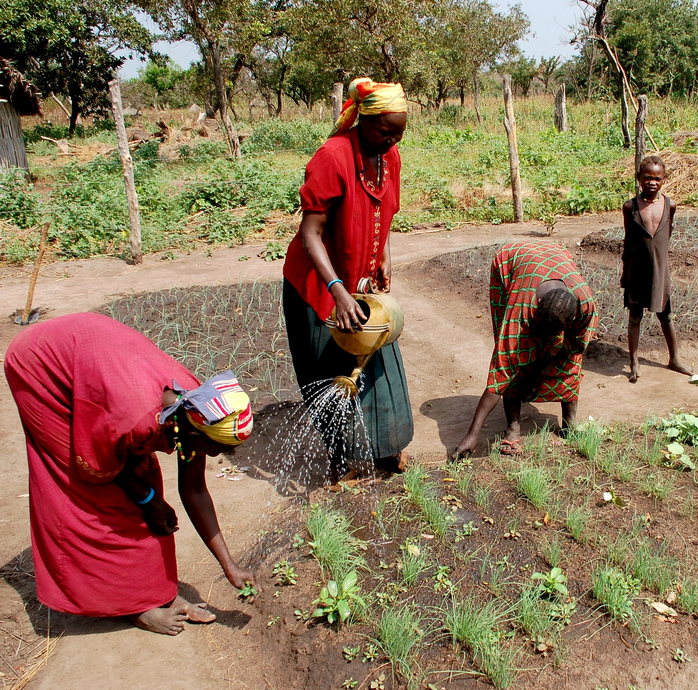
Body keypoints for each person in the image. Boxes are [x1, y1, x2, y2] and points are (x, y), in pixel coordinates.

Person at [3, 313, 256, 636]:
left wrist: (229, 566)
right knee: (96, 488)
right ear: (195, 432)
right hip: (41, 367)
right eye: (215, 447)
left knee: (142, 481)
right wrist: (148, 498)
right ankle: (136, 606)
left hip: (93, 359)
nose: (216, 456)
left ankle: (156, 593)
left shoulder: (195, 407)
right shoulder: (136, 415)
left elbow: (194, 491)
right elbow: (96, 462)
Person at [281, 77, 413, 480]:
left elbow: (383, 213)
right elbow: (310, 234)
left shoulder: (389, 158)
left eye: (399, 134)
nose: (392, 141)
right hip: (320, 290)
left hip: (360, 287)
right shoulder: (333, 157)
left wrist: (384, 256)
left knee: (378, 368)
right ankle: (340, 462)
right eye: (385, 131)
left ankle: (385, 450)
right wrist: (337, 291)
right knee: (331, 379)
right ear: (364, 120)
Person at [452, 240, 598, 458]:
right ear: (535, 313)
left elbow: (574, 346)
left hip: (555, 253)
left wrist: (541, 373)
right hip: (510, 261)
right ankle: (512, 428)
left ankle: (569, 424)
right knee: (515, 358)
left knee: (570, 361)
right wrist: (473, 434)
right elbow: (501, 373)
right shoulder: (519, 310)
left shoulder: (585, 305)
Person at [621, 155, 693, 383]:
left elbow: (666, 236)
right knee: (635, 316)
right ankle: (634, 362)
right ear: (639, 179)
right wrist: (625, 270)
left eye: (657, 178)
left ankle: (675, 358)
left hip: (660, 270)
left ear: (663, 180)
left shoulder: (669, 205)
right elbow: (628, 240)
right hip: (636, 270)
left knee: (666, 315)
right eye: (647, 178)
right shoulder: (630, 206)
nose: (652, 182)